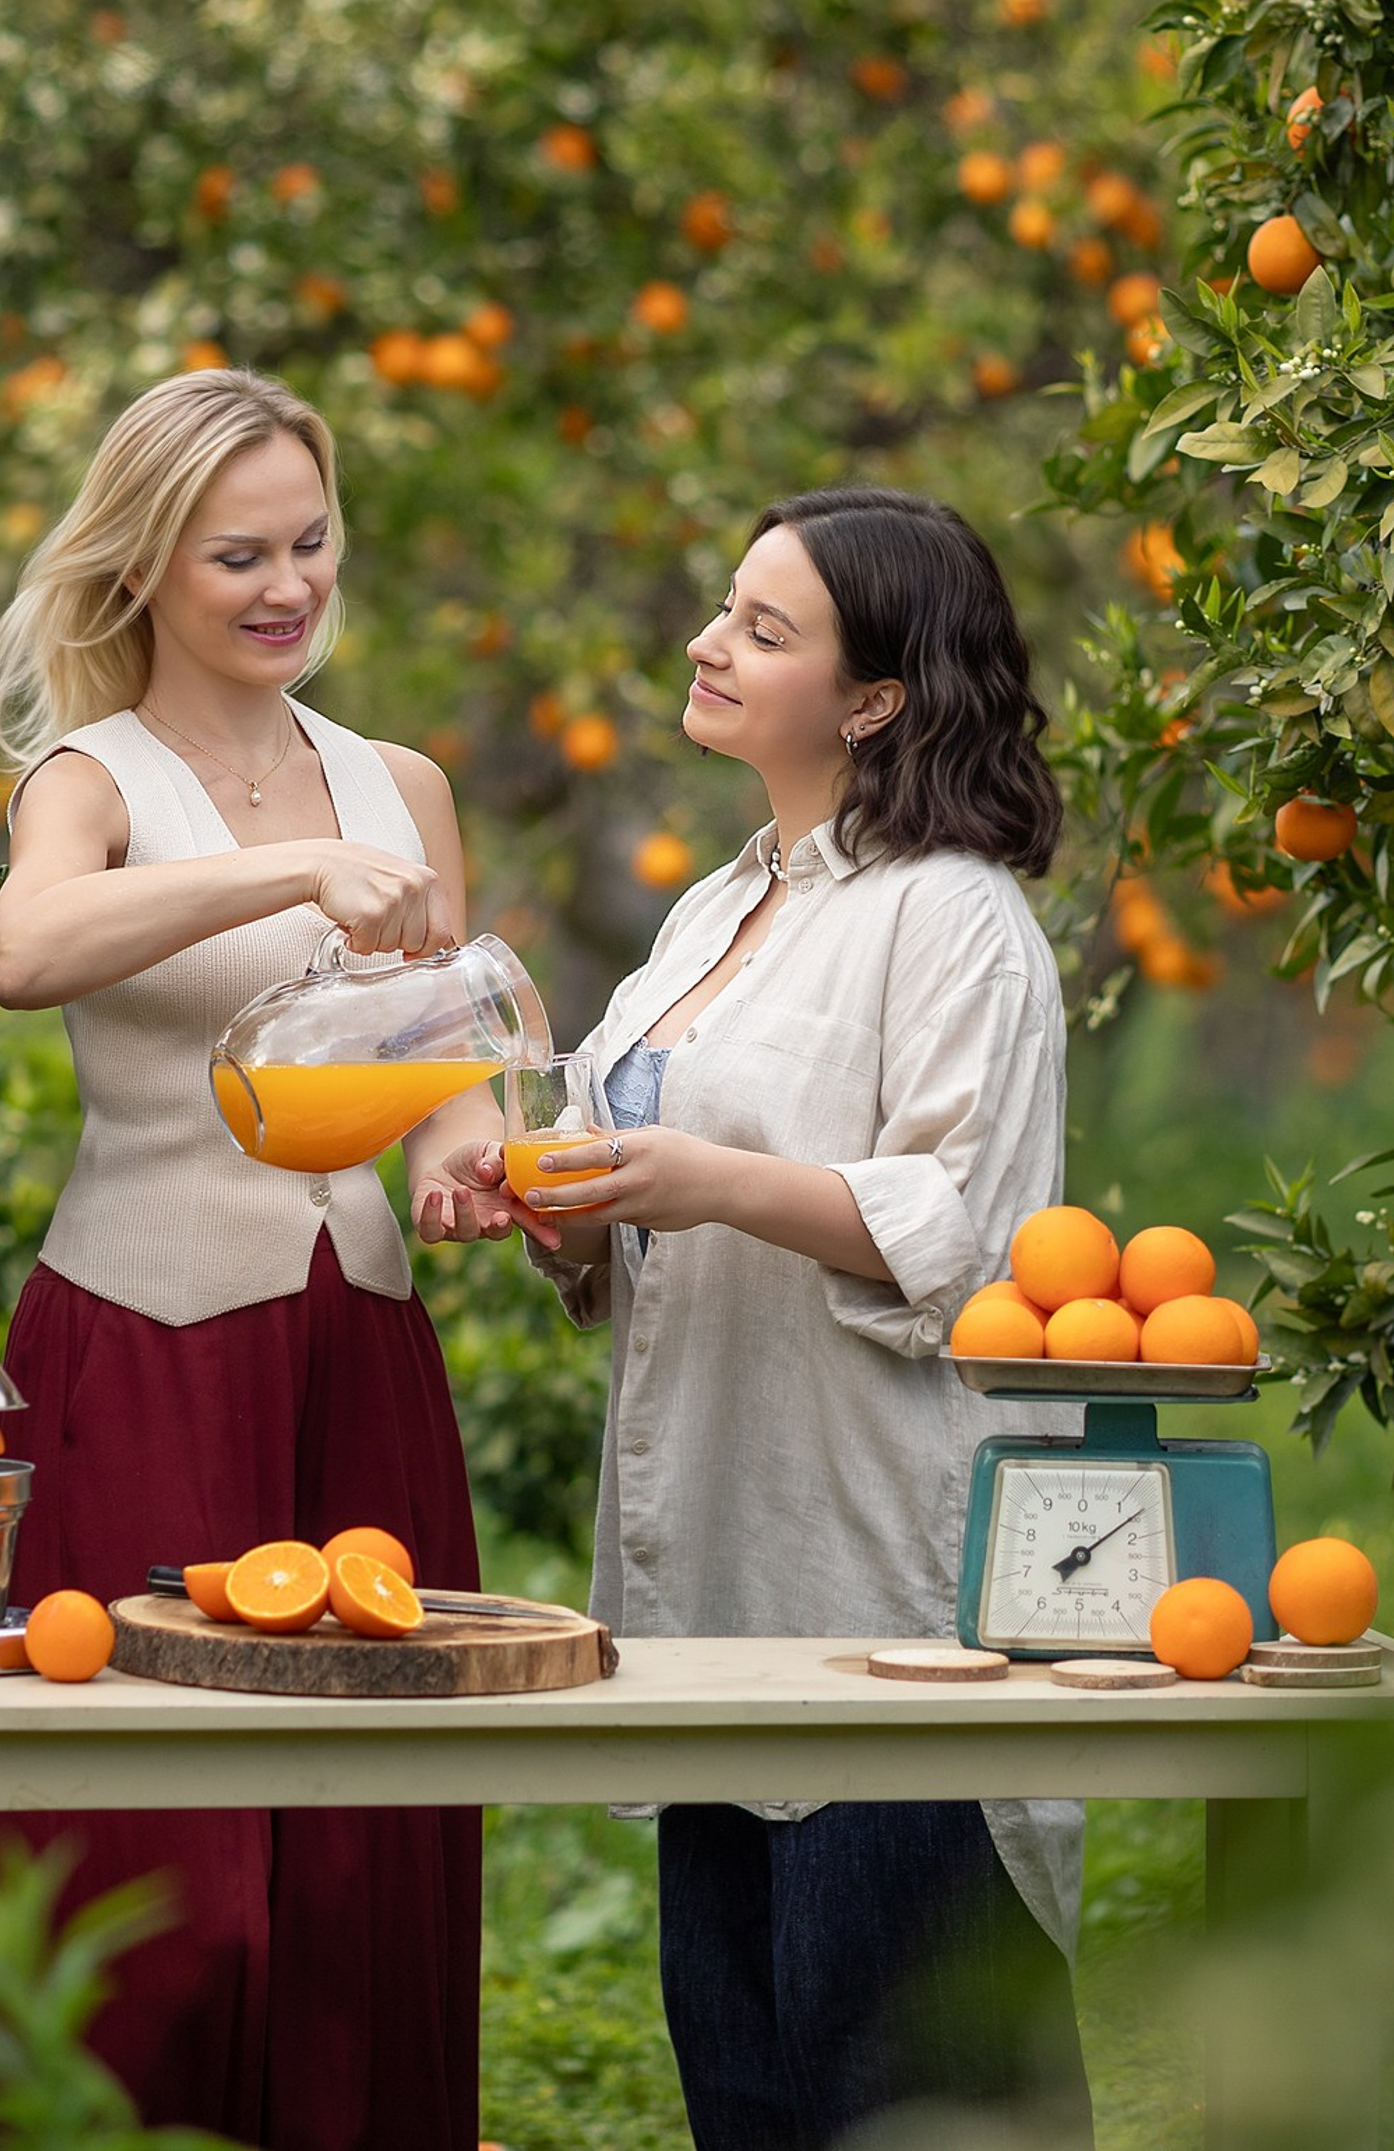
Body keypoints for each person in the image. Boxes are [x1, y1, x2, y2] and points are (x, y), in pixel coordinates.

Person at [425, 485, 1094, 2151]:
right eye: (726, 607)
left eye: (762, 629)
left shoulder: (953, 916)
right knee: (749, 2097)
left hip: (881, 1599)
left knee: (911, 2104)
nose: (708, 643)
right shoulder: (714, 911)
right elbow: (628, 1186)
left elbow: (965, 1228)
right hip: (712, 1596)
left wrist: (711, 1181)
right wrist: (553, 1201)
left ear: (874, 699)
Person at [0, 366, 521, 2148]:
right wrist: (291, 873)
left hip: (362, 1360)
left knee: (364, 1859)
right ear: (142, 567)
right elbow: (27, 953)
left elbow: (450, 1056)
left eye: (310, 545)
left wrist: (468, 1157)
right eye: (238, 555)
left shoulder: (403, 785)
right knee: (157, 1872)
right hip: (145, 1352)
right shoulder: (85, 781)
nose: (288, 588)